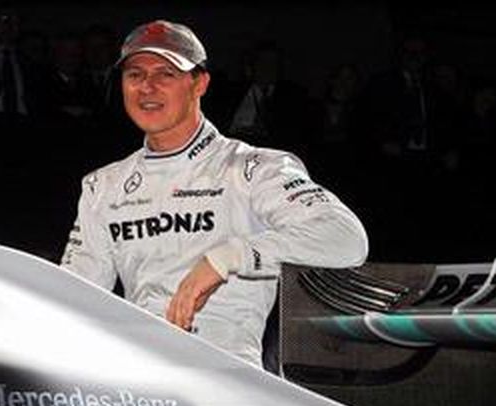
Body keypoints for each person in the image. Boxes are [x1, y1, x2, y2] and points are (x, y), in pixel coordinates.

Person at [61, 20, 368, 368]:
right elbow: (74, 298)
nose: (147, 87)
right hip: (139, 374)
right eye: (135, 75)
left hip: (229, 376)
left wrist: (228, 257)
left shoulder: (253, 168)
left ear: (199, 84)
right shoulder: (102, 185)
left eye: (165, 74)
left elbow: (346, 237)